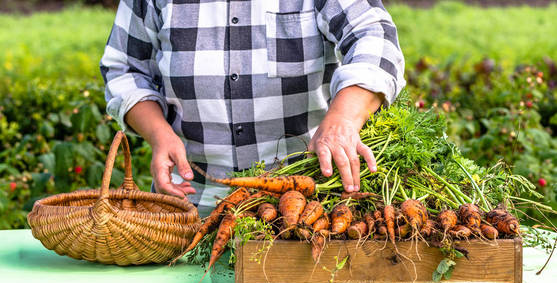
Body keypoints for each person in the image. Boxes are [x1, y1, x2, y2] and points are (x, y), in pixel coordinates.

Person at [100, 0, 405, 216]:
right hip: (188, 212)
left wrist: (342, 121)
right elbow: (124, 69)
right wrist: (158, 134)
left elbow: (375, 37)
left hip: (304, 216)